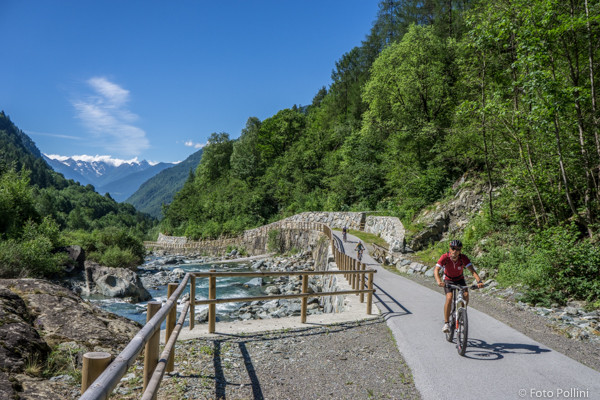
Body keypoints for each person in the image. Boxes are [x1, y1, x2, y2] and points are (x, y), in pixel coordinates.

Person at [434, 239, 484, 333]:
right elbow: (436, 270)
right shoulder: (445, 257)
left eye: (457, 249)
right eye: (453, 248)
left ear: (460, 250)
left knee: (466, 295)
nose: (455, 251)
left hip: (459, 279)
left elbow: (472, 270)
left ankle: (461, 313)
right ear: (450, 249)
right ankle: (446, 323)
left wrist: (479, 281)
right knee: (449, 297)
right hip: (448, 280)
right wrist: (439, 281)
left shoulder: (463, 258)